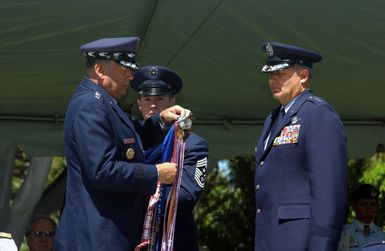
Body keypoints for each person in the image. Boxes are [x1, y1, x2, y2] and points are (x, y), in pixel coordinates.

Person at [55, 37, 191, 251]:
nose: (131, 76)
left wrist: (162, 120)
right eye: (124, 70)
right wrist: (155, 173)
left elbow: (131, 141)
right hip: (98, 237)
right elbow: (101, 171)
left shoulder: (104, 103)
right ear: (100, 70)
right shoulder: (90, 106)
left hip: (107, 233)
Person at [254, 41, 348, 250]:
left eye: (281, 74)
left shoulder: (318, 113)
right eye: (270, 75)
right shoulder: (273, 118)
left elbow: (329, 189)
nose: (273, 80)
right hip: (270, 238)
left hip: (301, 240)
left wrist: (322, 244)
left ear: (303, 75)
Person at [131, 65, 209, 251]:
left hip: (173, 241)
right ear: (139, 103)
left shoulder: (192, 143)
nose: (153, 105)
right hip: (132, 238)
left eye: (159, 98)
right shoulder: (129, 140)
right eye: (147, 99)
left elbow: (185, 196)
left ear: (172, 101)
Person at [337, 184, 385, 251]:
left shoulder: (382, 236)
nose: (369, 209)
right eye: (363, 204)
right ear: (354, 206)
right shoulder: (342, 235)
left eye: (373, 205)